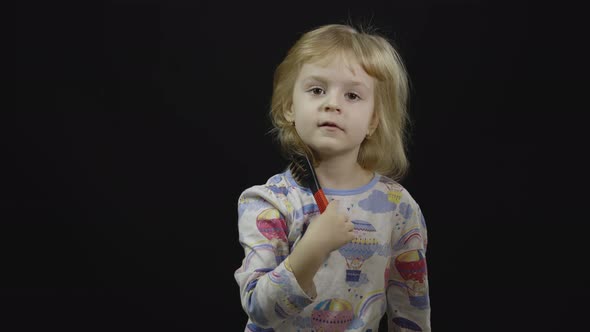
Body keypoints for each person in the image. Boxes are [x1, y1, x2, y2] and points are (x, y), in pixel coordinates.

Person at [234, 23, 431, 332]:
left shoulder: (399, 208)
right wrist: (313, 247)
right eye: (317, 90)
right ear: (290, 107)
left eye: (352, 95)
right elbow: (260, 309)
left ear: (373, 121)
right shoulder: (266, 202)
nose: (332, 103)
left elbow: (411, 311)